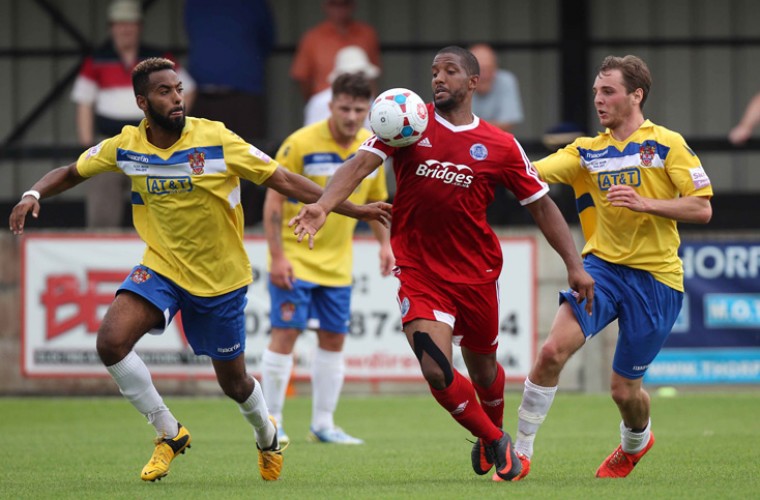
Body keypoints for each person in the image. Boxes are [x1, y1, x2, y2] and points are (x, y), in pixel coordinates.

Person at [9, 58, 390, 482]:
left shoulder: (216, 138)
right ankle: (168, 432)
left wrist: (350, 207)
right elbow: (70, 172)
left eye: (178, 89)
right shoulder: (126, 145)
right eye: (164, 92)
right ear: (141, 101)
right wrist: (32, 192)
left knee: (235, 384)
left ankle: (267, 434)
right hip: (162, 267)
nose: (176, 98)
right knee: (111, 343)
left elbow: (280, 178)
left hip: (220, 279)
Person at [289, 46, 595, 482]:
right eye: (434, 72)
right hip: (418, 269)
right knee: (435, 366)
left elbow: (542, 206)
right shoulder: (406, 123)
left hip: (476, 273)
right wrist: (322, 205)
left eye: (450, 71)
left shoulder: (501, 145)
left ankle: (493, 429)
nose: (438, 79)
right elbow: (357, 166)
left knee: (484, 369)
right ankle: (495, 439)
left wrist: (574, 263)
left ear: (473, 83)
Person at [512, 55, 713, 480]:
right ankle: (520, 453)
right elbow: (527, 174)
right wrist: (491, 156)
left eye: (609, 92)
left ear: (635, 95)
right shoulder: (586, 151)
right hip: (600, 271)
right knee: (550, 352)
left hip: (656, 280)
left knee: (624, 391)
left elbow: (701, 207)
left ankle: (636, 443)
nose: (599, 100)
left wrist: (647, 204)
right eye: (596, 93)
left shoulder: (666, 144)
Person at [261, 73, 393, 446]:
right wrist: (277, 256)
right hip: (297, 259)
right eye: (344, 108)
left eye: (358, 109)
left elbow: (377, 205)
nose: (351, 116)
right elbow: (273, 200)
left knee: (334, 339)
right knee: (286, 333)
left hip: (338, 265)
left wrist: (385, 246)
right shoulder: (301, 142)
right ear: (331, 105)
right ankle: (273, 420)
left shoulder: (372, 151)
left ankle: (323, 424)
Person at [70, 0, 196, 228]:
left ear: (140, 27)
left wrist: (174, 124)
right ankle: (102, 247)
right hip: (110, 141)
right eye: (120, 24)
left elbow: (188, 87)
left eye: (131, 24)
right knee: (103, 194)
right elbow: (84, 103)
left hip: (153, 140)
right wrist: (87, 145)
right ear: (112, 28)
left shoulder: (158, 59)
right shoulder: (97, 59)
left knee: (163, 196)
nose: (125, 29)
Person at [184, 0, 276, 227]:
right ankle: (203, 220)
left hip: (244, 96)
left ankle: (247, 222)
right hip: (203, 96)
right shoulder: (195, 4)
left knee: (249, 159)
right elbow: (194, 37)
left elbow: (267, 42)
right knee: (200, 161)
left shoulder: (255, 5)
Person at [290, 0, 381, 103]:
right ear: (325, 6)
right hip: (325, 102)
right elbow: (303, 78)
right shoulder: (312, 37)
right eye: (334, 4)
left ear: (353, 5)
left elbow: (372, 75)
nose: (339, 9)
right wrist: (317, 102)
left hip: (360, 101)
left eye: (344, 4)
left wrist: (373, 102)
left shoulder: (367, 34)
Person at [303, 45, 380, 126]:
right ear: (331, 106)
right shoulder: (319, 102)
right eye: (344, 109)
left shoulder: (369, 100)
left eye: (360, 75)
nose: (352, 118)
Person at [468, 43, 524, 132]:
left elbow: (507, 124)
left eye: (489, 69)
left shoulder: (506, 80)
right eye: (480, 70)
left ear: (496, 67)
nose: (485, 75)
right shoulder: (458, 83)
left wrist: (469, 127)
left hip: (496, 141)